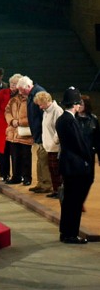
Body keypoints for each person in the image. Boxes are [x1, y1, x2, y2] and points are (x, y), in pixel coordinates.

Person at [56, 86, 94, 244]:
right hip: (75, 166)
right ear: (76, 104)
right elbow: (79, 145)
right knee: (75, 201)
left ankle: (65, 232)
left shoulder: (62, 119)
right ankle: (71, 234)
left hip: (67, 163)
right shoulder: (70, 120)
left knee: (69, 201)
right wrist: (88, 156)